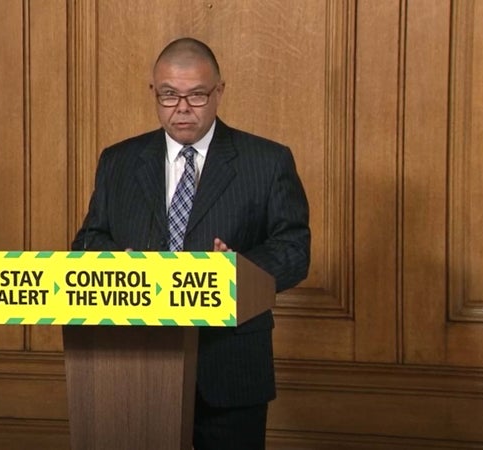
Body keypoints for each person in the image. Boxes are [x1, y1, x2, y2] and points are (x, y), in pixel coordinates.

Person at [71, 37, 310, 450]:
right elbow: (88, 241)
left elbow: (294, 249)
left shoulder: (267, 161)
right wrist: (113, 262)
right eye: (169, 95)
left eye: (196, 95)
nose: (181, 107)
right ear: (154, 93)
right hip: (134, 369)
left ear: (219, 92)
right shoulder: (119, 161)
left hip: (231, 370)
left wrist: (238, 272)